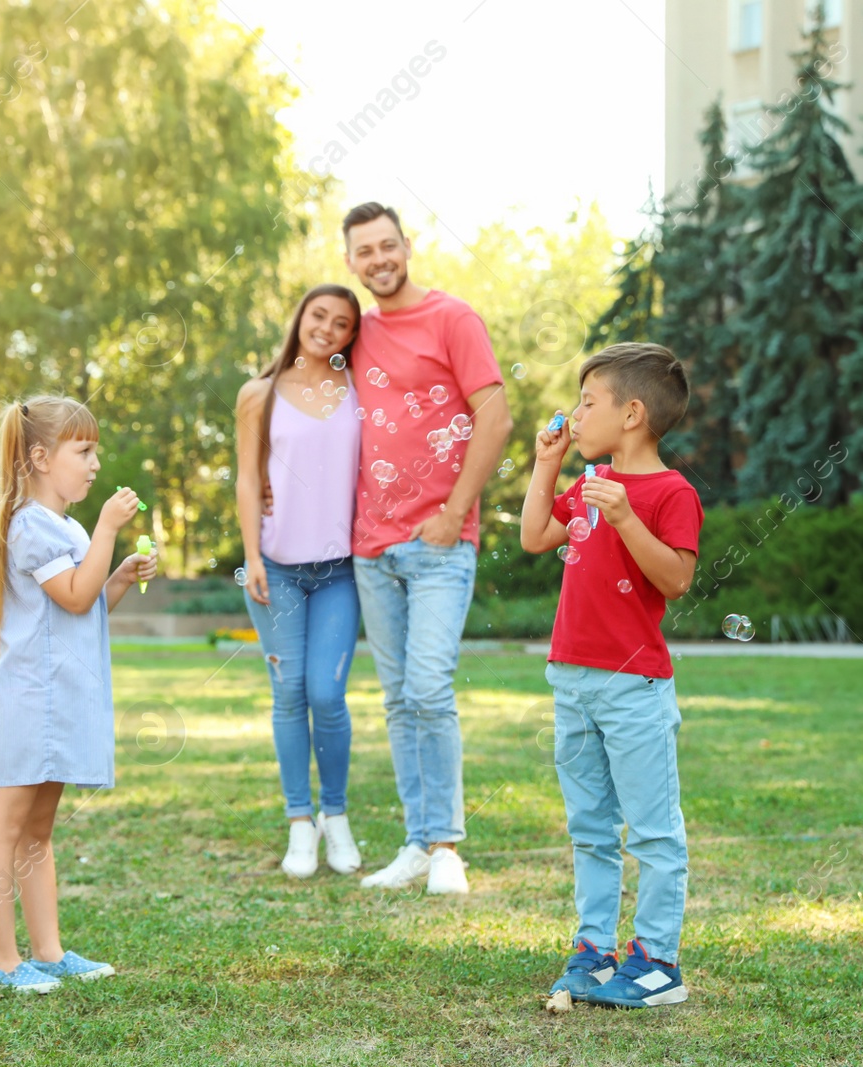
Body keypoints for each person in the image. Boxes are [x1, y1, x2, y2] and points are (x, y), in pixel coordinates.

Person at [519, 343, 703, 1009]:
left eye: (588, 401)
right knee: (590, 826)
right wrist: (547, 464)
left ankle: (657, 960)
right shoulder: (589, 479)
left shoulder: (670, 492)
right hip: (572, 677)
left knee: (652, 829)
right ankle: (595, 949)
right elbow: (535, 534)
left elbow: (677, 579)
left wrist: (624, 516)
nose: (576, 412)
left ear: (630, 413)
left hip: (634, 687)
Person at [341, 201, 512, 896]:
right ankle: (415, 841)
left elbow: (495, 416)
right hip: (370, 547)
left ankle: (446, 845)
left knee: (429, 688)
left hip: (439, 542)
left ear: (407, 246)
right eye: (364, 251)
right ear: (349, 261)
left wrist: (453, 511)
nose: (378, 259)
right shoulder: (356, 334)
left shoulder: (452, 318)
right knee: (395, 697)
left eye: (387, 245)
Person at [0, 395, 158, 993]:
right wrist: (108, 529)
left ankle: (49, 952)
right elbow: (75, 597)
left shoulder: (67, 527)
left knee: (39, 833)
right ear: (39, 456)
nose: (95, 463)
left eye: (94, 451)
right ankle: (3, 961)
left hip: (55, 701)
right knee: (5, 830)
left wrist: (121, 575)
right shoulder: (28, 525)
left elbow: (87, 608)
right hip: (27, 702)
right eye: (83, 451)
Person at [235, 284, 366, 879]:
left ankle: (334, 817)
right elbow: (246, 480)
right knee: (287, 697)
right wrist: (251, 556)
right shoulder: (258, 394)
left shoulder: (359, 390)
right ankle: (298, 824)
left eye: (342, 324)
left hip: (340, 572)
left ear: (350, 336)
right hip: (276, 571)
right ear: (300, 318)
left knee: (326, 694)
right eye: (319, 315)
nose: (328, 329)